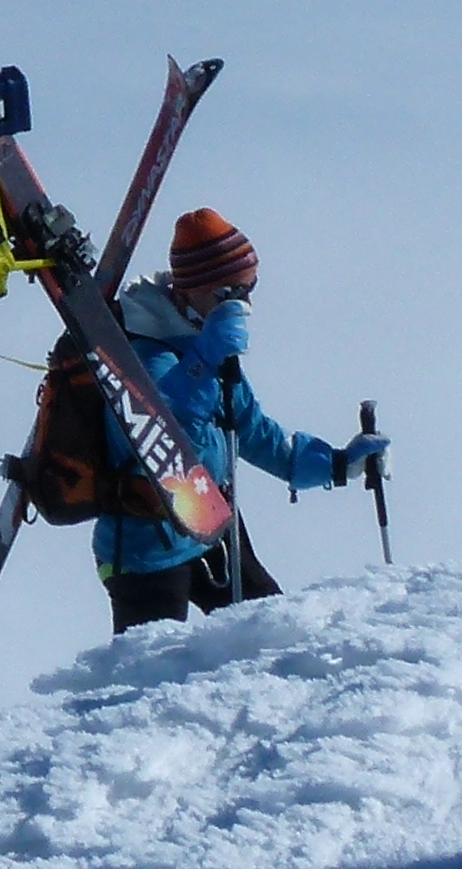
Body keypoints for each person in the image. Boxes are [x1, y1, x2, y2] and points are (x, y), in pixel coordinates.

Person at [95, 207, 386, 632]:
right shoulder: (139, 353)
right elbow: (168, 447)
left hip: (210, 521)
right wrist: (205, 360)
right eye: (230, 291)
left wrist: (338, 465)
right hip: (145, 550)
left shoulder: (198, 340)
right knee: (150, 673)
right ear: (189, 290)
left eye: (250, 288)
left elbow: (248, 427)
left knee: (270, 634)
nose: (243, 304)